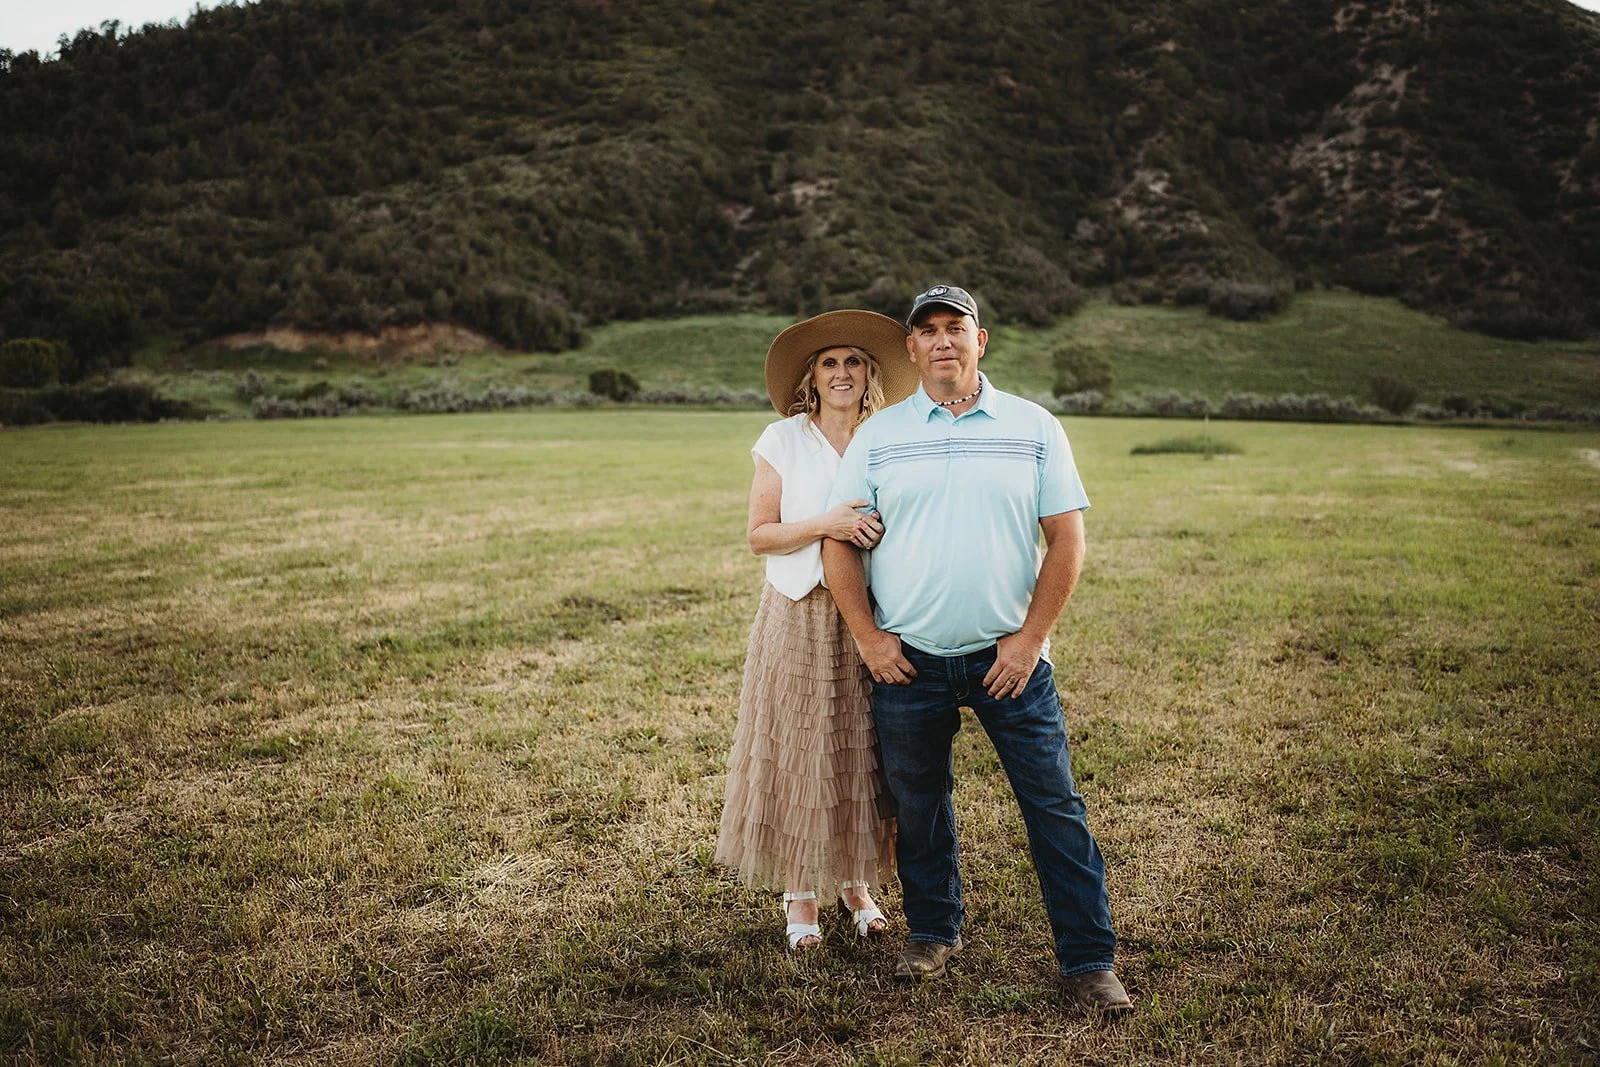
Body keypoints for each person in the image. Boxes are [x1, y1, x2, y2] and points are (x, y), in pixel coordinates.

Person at [820, 285, 1131, 1013]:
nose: (942, 342)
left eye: (954, 328)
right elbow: (839, 543)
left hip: (1009, 661)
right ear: (911, 349)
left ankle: (1089, 960)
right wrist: (869, 637)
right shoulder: (881, 435)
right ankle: (932, 931)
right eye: (926, 331)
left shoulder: (1034, 426)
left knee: (1054, 806)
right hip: (911, 660)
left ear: (979, 341)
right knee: (921, 806)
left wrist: (1028, 641)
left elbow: (1067, 540)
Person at [715, 309, 921, 951]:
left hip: (871, 612)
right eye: (829, 363)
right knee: (801, 744)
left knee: (862, 744)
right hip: (798, 610)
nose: (841, 373)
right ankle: (800, 891)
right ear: (812, 376)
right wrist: (826, 523)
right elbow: (759, 535)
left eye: (853, 362)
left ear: (870, 375)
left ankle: (857, 883)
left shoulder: (886, 437)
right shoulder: (781, 440)